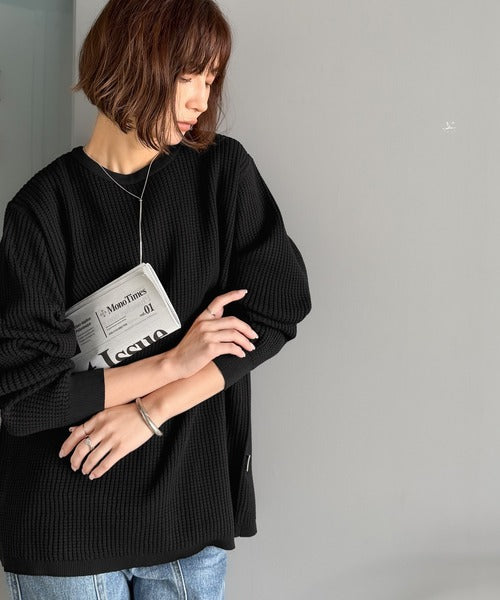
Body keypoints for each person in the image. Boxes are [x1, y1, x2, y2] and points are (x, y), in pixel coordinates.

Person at [0, 0, 312, 598]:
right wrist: (170, 363)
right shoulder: (42, 210)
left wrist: (152, 411)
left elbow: (277, 307)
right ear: (131, 62)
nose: (200, 100)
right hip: (65, 522)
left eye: (210, 79)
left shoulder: (222, 175)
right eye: (187, 76)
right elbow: (22, 398)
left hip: (187, 518)